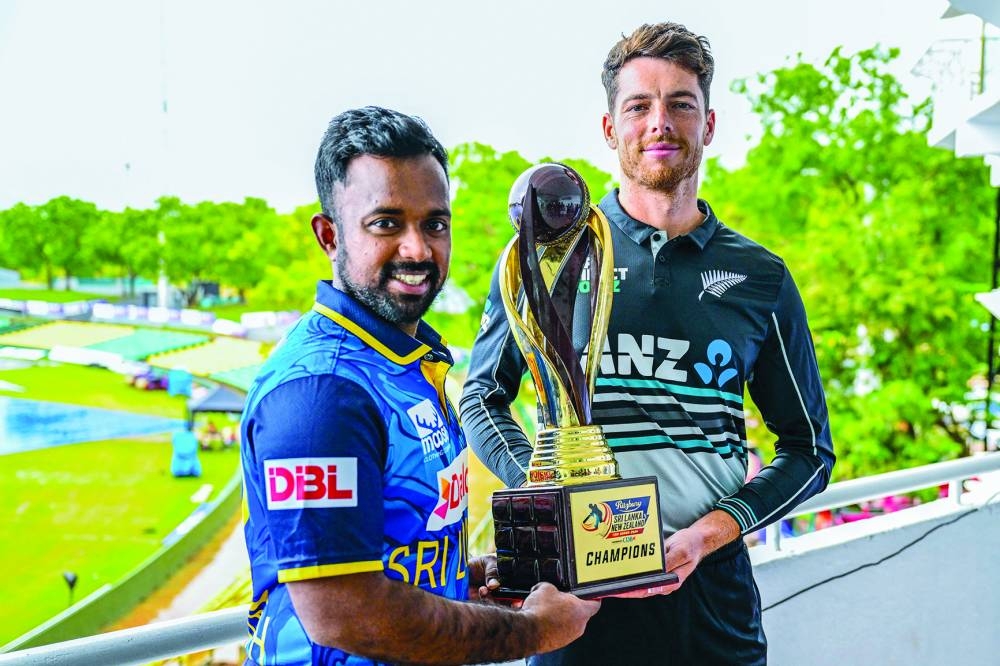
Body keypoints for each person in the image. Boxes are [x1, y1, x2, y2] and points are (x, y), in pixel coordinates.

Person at [460, 23, 836, 665]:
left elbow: (809, 451)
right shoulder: (547, 257)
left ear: (709, 123)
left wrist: (706, 536)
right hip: (573, 600)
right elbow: (481, 397)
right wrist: (556, 488)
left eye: (680, 104)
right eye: (638, 105)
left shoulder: (761, 277)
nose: (659, 122)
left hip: (712, 600)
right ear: (610, 128)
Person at [239, 106, 599, 666]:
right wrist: (533, 632)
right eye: (386, 223)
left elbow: (390, 553)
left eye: (435, 223)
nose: (417, 249)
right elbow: (344, 610)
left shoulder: (404, 364)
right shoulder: (321, 393)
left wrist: (465, 578)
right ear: (329, 235)